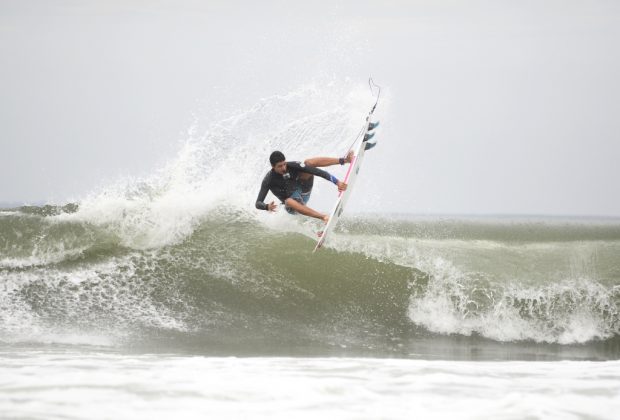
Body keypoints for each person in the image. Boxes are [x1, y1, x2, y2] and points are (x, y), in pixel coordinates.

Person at [255, 150, 353, 223]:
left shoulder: (292, 166)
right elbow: (258, 203)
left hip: (304, 191)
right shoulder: (268, 179)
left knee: (309, 163)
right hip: (292, 205)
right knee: (288, 201)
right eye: (280, 166)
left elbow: (316, 172)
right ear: (273, 167)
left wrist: (337, 182)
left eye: (284, 164)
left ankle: (344, 160)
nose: (284, 168)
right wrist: (267, 206)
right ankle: (323, 217)